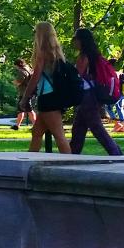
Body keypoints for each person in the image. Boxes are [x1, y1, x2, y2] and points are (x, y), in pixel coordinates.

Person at [68, 29, 124, 156]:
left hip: (87, 97)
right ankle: (72, 154)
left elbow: (78, 76)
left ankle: (116, 153)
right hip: (93, 95)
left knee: (96, 127)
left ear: (81, 40)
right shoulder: (94, 55)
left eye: (75, 39)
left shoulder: (84, 57)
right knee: (79, 128)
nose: (74, 41)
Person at [19, 22, 72, 153]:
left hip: (48, 98)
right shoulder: (56, 53)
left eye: (36, 32)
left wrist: (25, 98)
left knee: (59, 136)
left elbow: (35, 77)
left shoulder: (42, 54)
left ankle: (69, 164)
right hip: (52, 97)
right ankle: (30, 161)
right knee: (36, 133)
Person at [12, 58, 36, 130]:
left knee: (29, 109)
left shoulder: (22, 72)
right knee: (20, 109)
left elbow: (19, 82)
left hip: (25, 93)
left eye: (15, 66)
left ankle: (35, 125)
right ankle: (17, 126)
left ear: (18, 65)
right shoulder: (29, 69)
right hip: (28, 92)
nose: (15, 68)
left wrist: (14, 82)